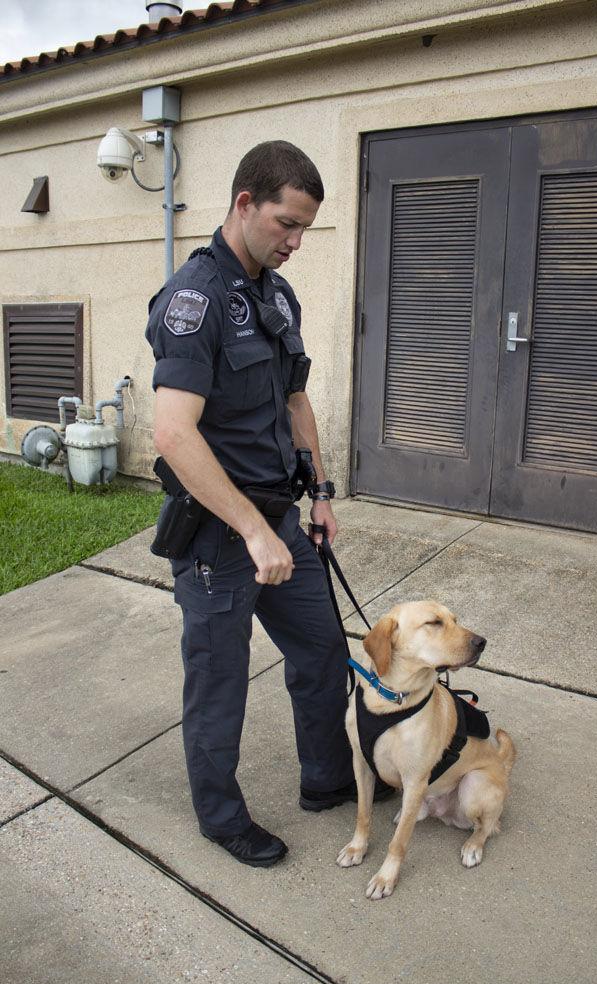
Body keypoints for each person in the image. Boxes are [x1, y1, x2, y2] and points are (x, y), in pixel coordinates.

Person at [145, 140, 389, 868]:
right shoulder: (194, 300)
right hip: (222, 537)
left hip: (283, 524)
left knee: (322, 655)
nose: (295, 242)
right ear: (244, 203)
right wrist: (252, 529)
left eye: (306, 228)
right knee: (219, 687)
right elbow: (172, 432)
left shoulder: (278, 295)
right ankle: (220, 817)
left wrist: (318, 493)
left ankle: (325, 781)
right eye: (286, 223)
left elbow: (295, 400)